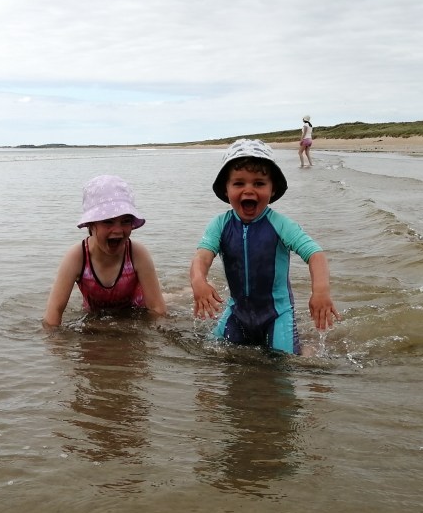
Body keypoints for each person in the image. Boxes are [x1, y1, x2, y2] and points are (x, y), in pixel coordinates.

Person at [190, 139, 339, 354]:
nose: (248, 190)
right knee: (210, 354)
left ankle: (308, 349)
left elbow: (315, 254)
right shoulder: (219, 225)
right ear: (226, 189)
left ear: (273, 189)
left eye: (259, 183)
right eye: (239, 183)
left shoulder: (281, 225)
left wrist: (321, 292)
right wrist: (198, 281)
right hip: (236, 313)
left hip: (277, 315)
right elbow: (201, 257)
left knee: (285, 364)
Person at [44, 175, 166, 327]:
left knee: (169, 299)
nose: (118, 230)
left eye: (126, 221)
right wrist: (57, 347)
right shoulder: (78, 257)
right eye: (108, 221)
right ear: (91, 224)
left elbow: (157, 309)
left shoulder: (137, 254)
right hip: (96, 315)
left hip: (135, 311)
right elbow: (53, 312)